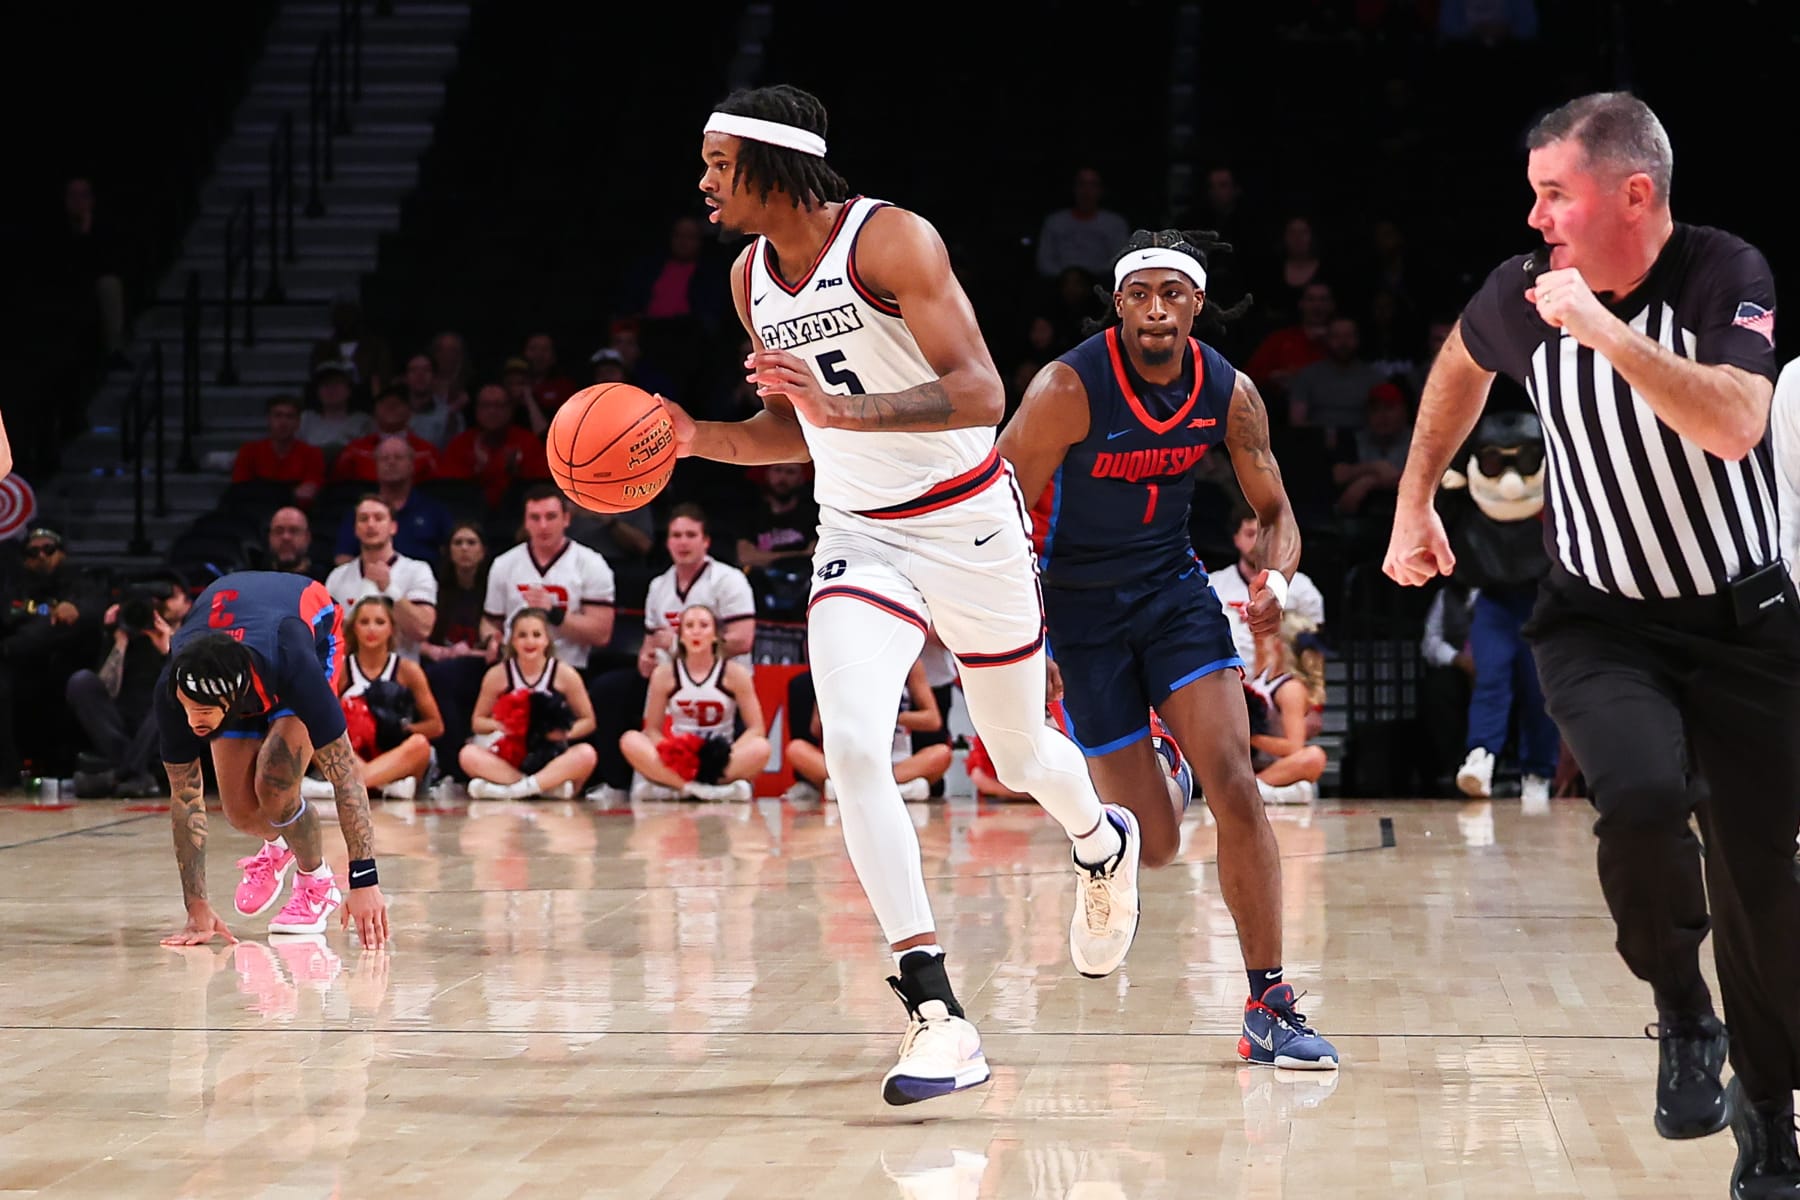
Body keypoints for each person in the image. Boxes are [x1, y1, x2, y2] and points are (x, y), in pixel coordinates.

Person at [680, 83, 1139, 1105]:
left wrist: (843, 412)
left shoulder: (890, 243)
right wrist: (691, 439)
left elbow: (981, 391)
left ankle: (1103, 841)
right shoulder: (751, 279)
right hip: (858, 536)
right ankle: (936, 1009)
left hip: (968, 516)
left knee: (1018, 755)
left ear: (768, 163)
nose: (704, 182)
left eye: (718, 163)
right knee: (853, 747)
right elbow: (792, 432)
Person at [1381, 92, 1797, 1191]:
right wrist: (1415, 498)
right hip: (1603, 621)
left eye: (1553, 194)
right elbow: (1459, 366)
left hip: (1747, 629)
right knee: (1647, 799)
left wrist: (1604, 332)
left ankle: (1769, 1114)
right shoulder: (1520, 293)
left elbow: (1733, 423)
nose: (1538, 218)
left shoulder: (1723, 272)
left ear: (1634, 194)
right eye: (1534, 196)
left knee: (1766, 892)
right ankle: (1679, 1006)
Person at [998, 227, 1338, 1070]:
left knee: (1238, 785)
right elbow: (996, 512)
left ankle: (1269, 1003)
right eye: (1140, 294)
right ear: (1118, 305)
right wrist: (1021, 633)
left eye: (1174, 294)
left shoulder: (1231, 393)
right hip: (1076, 613)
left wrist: (1278, 585)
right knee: (1154, 844)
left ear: (1197, 305)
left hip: (1172, 595)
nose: (1156, 309)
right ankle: (1158, 772)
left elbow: (1280, 510)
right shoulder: (1066, 388)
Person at [153, 572, 390, 949]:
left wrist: (364, 881)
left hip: (306, 639)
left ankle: (317, 882)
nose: (193, 720)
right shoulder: (177, 690)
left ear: (235, 699)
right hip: (243, 641)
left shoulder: (294, 665)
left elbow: (345, 776)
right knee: (240, 812)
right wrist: (196, 906)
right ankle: (280, 845)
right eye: (189, 708)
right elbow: (186, 798)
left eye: (205, 711)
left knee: (274, 788)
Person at [620, 604, 770, 802]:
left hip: (720, 755)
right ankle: (696, 788)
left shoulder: (735, 674)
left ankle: (674, 788)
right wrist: (671, 751)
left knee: (762, 747)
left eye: (704, 625)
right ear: (680, 636)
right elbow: (652, 730)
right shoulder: (664, 674)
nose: (696, 631)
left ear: (716, 635)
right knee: (630, 740)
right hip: (680, 754)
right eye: (689, 626)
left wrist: (726, 754)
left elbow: (756, 728)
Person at [303, 595, 443, 802]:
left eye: (379, 622)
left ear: (391, 629)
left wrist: (401, 728)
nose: (371, 629)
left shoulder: (408, 671)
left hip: (395, 756)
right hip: (353, 755)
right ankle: (380, 784)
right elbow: (320, 718)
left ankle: (343, 788)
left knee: (420, 745)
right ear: (354, 628)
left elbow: (436, 726)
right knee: (310, 735)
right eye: (364, 622)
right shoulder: (340, 670)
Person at [458, 608, 598, 800]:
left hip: (550, 753)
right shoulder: (497, 675)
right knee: (468, 754)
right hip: (510, 755)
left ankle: (513, 790)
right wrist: (503, 726)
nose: (530, 641)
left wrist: (563, 732)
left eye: (536, 635)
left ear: (547, 640)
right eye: (522, 635)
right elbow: (478, 721)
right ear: (512, 641)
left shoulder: (565, 674)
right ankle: (542, 787)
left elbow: (588, 720)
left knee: (587, 754)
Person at [784, 654, 950, 803]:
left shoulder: (909, 661)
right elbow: (817, 729)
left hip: (897, 763)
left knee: (942, 754)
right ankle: (894, 791)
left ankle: (854, 791)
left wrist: (894, 717)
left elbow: (933, 720)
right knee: (796, 749)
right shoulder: (838, 661)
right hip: (849, 761)